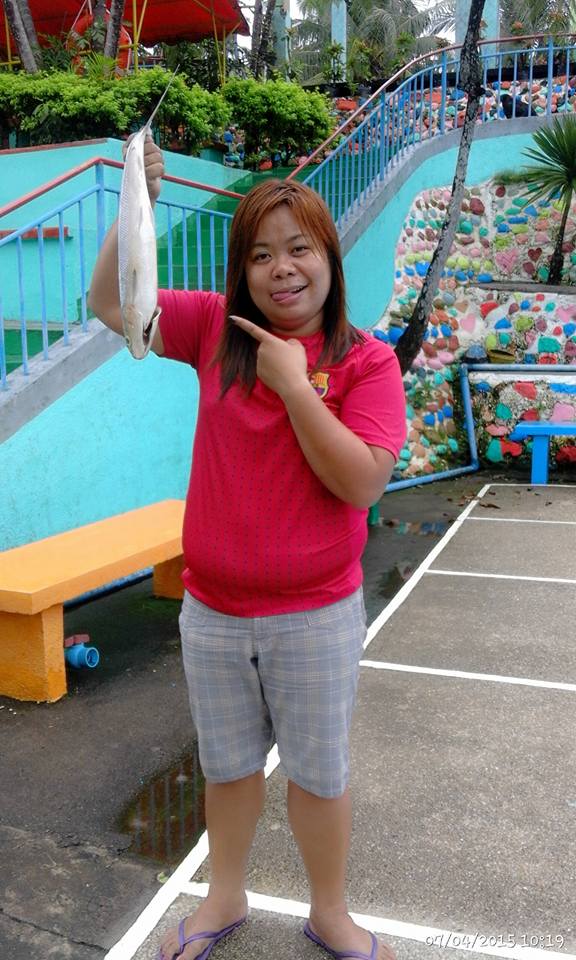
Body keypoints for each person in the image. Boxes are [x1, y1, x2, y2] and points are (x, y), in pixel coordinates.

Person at [88, 137, 406, 960]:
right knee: (227, 770)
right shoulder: (211, 329)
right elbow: (112, 305)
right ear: (242, 271)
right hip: (214, 612)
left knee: (318, 777)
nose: (281, 269)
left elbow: (361, 484)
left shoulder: (368, 363)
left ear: (329, 257)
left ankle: (329, 912)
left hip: (315, 615)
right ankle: (222, 897)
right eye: (260, 255)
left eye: (299, 249)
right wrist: (136, 206)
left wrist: (295, 385)